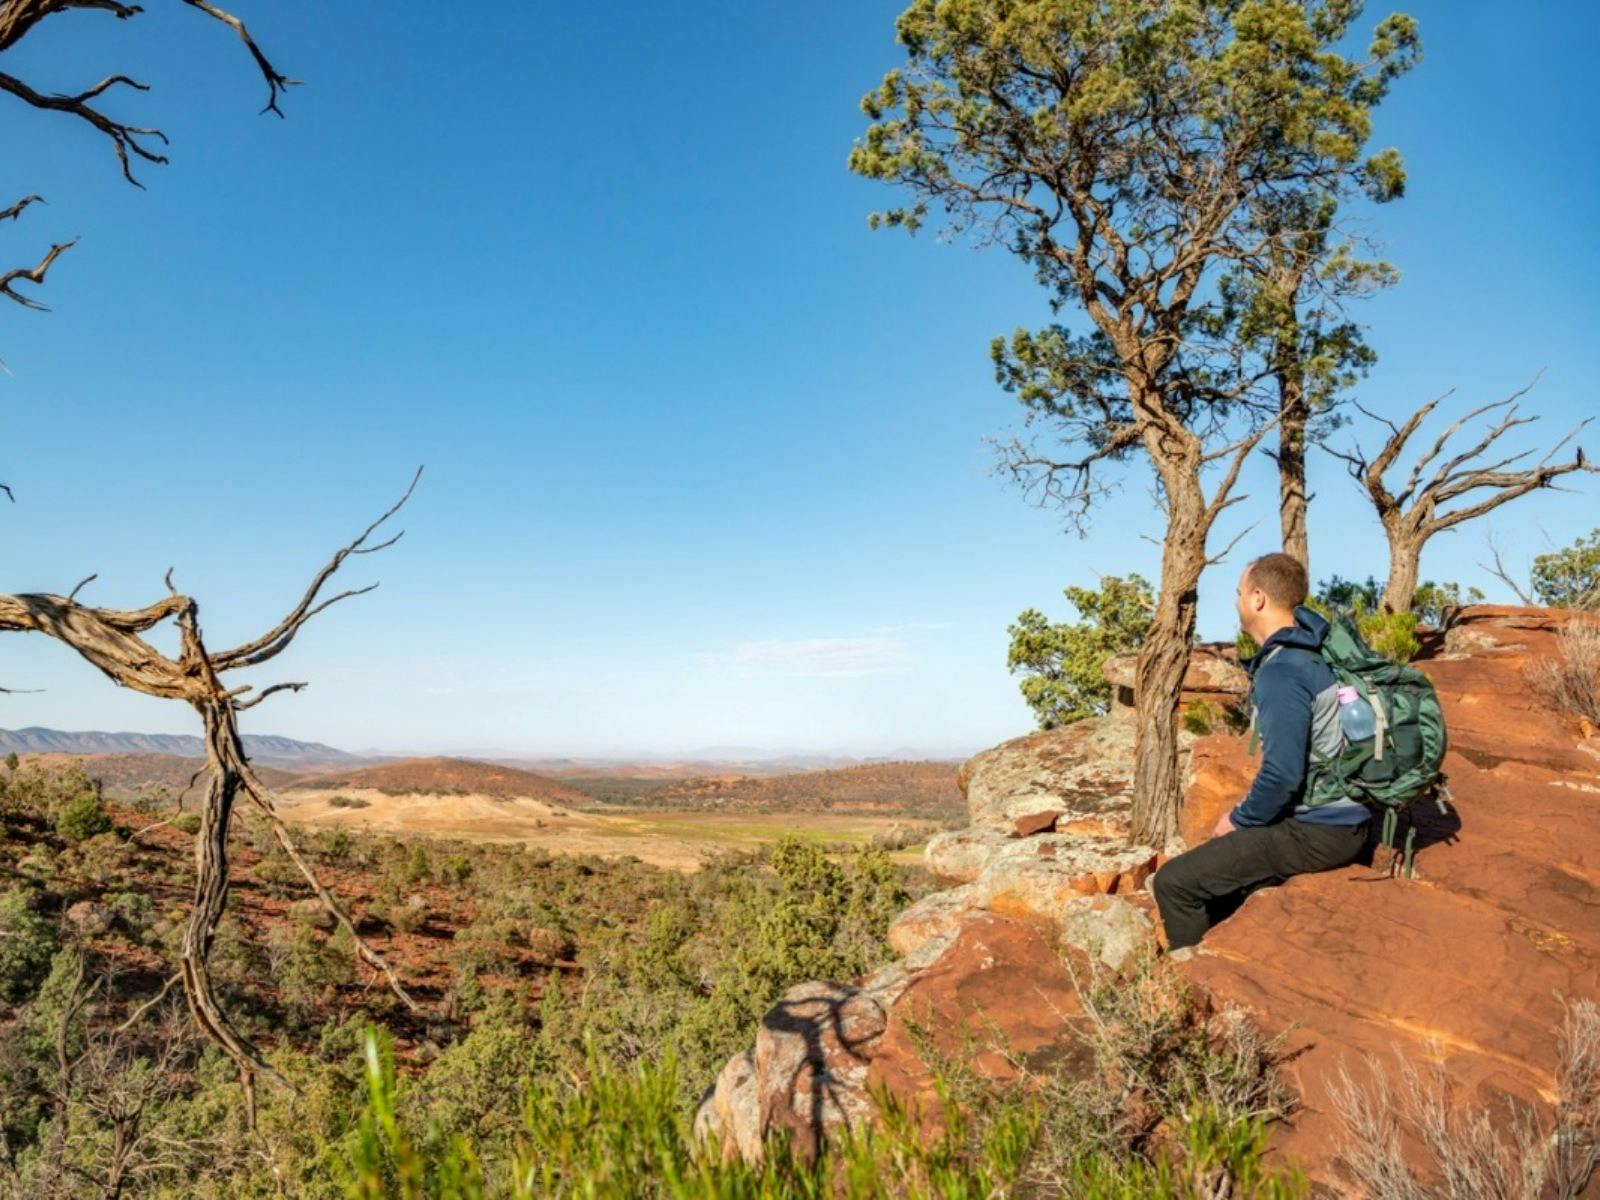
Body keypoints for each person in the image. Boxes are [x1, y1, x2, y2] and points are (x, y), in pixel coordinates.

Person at [1151, 552, 1370, 951]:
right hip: (1345, 818)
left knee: (1174, 883)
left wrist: (1238, 820)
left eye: (1238, 593)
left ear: (1257, 598)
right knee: (1225, 882)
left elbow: (1283, 774)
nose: (1236, 603)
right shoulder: (1312, 653)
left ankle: (1195, 982)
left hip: (1320, 832)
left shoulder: (1283, 669)